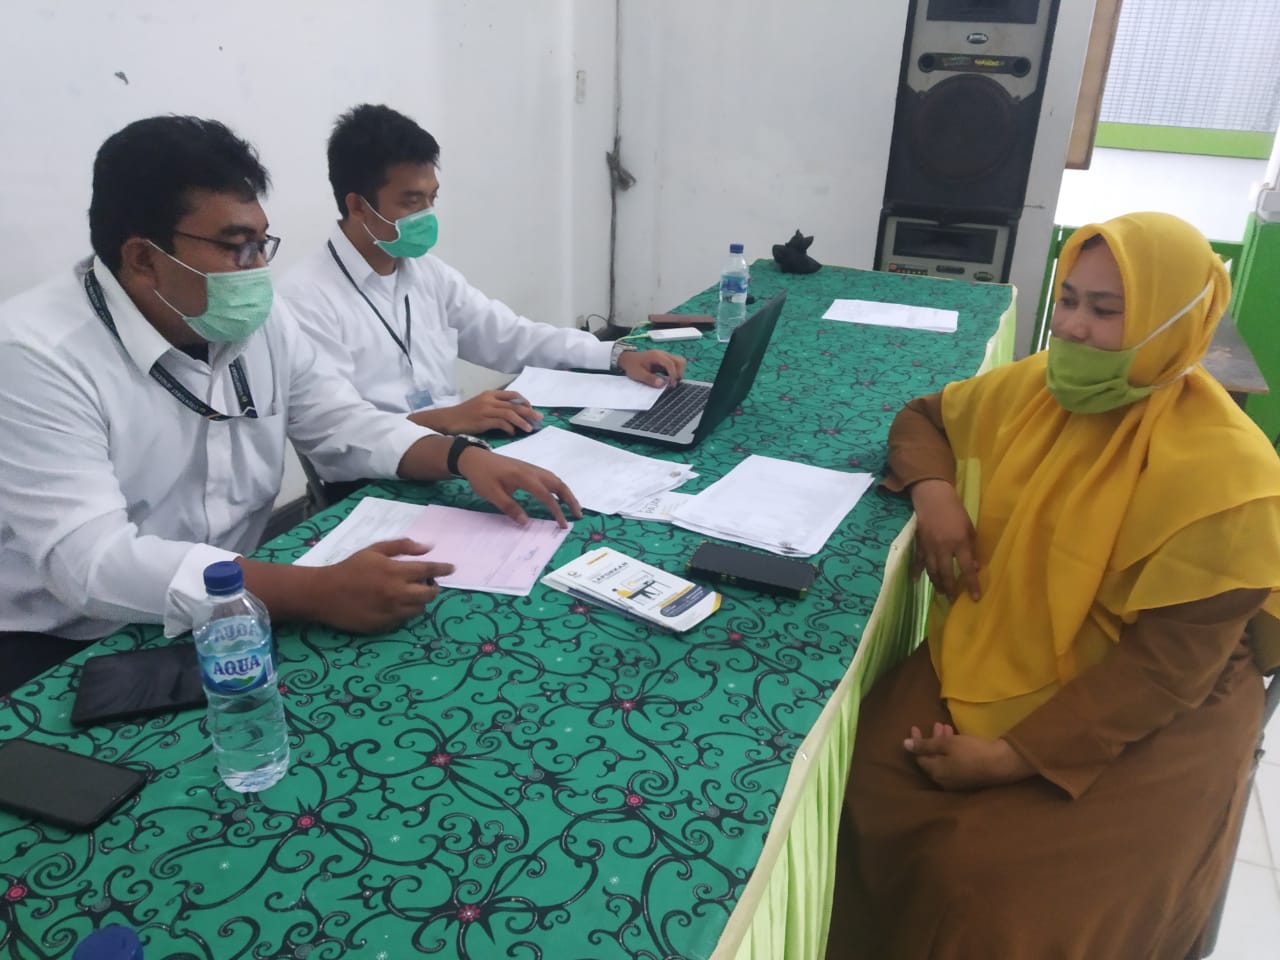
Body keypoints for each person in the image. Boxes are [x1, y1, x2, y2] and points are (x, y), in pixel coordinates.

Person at [827, 212, 1280, 958]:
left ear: (1174, 323)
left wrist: (1014, 756)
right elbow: (923, 419)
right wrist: (935, 495)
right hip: (1009, 636)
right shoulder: (1041, 389)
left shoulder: (1229, 478)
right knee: (862, 785)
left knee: (997, 899)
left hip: (1155, 703)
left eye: (1105, 310)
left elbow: (1168, 668)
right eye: (1066, 299)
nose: (1070, 326)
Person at [0, 115, 582, 694]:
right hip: (72, 642)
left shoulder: (254, 317)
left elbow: (339, 419)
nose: (258, 271)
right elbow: (91, 564)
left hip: (245, 597)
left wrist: (463, 456)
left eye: (262, 244)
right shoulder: (36, 355)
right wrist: (317, 591)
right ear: (143, 258)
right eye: (237, 248)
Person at [279, 103, 687, 441]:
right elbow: (339, 431)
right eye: (411, 202)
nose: (427, 215)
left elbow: (511, 336)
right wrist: (449, 419)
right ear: (358, 206)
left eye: (432, 198)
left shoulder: (426, 274)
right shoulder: (305, 299)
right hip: (373, 479)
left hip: (459, 445)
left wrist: (616, 355)